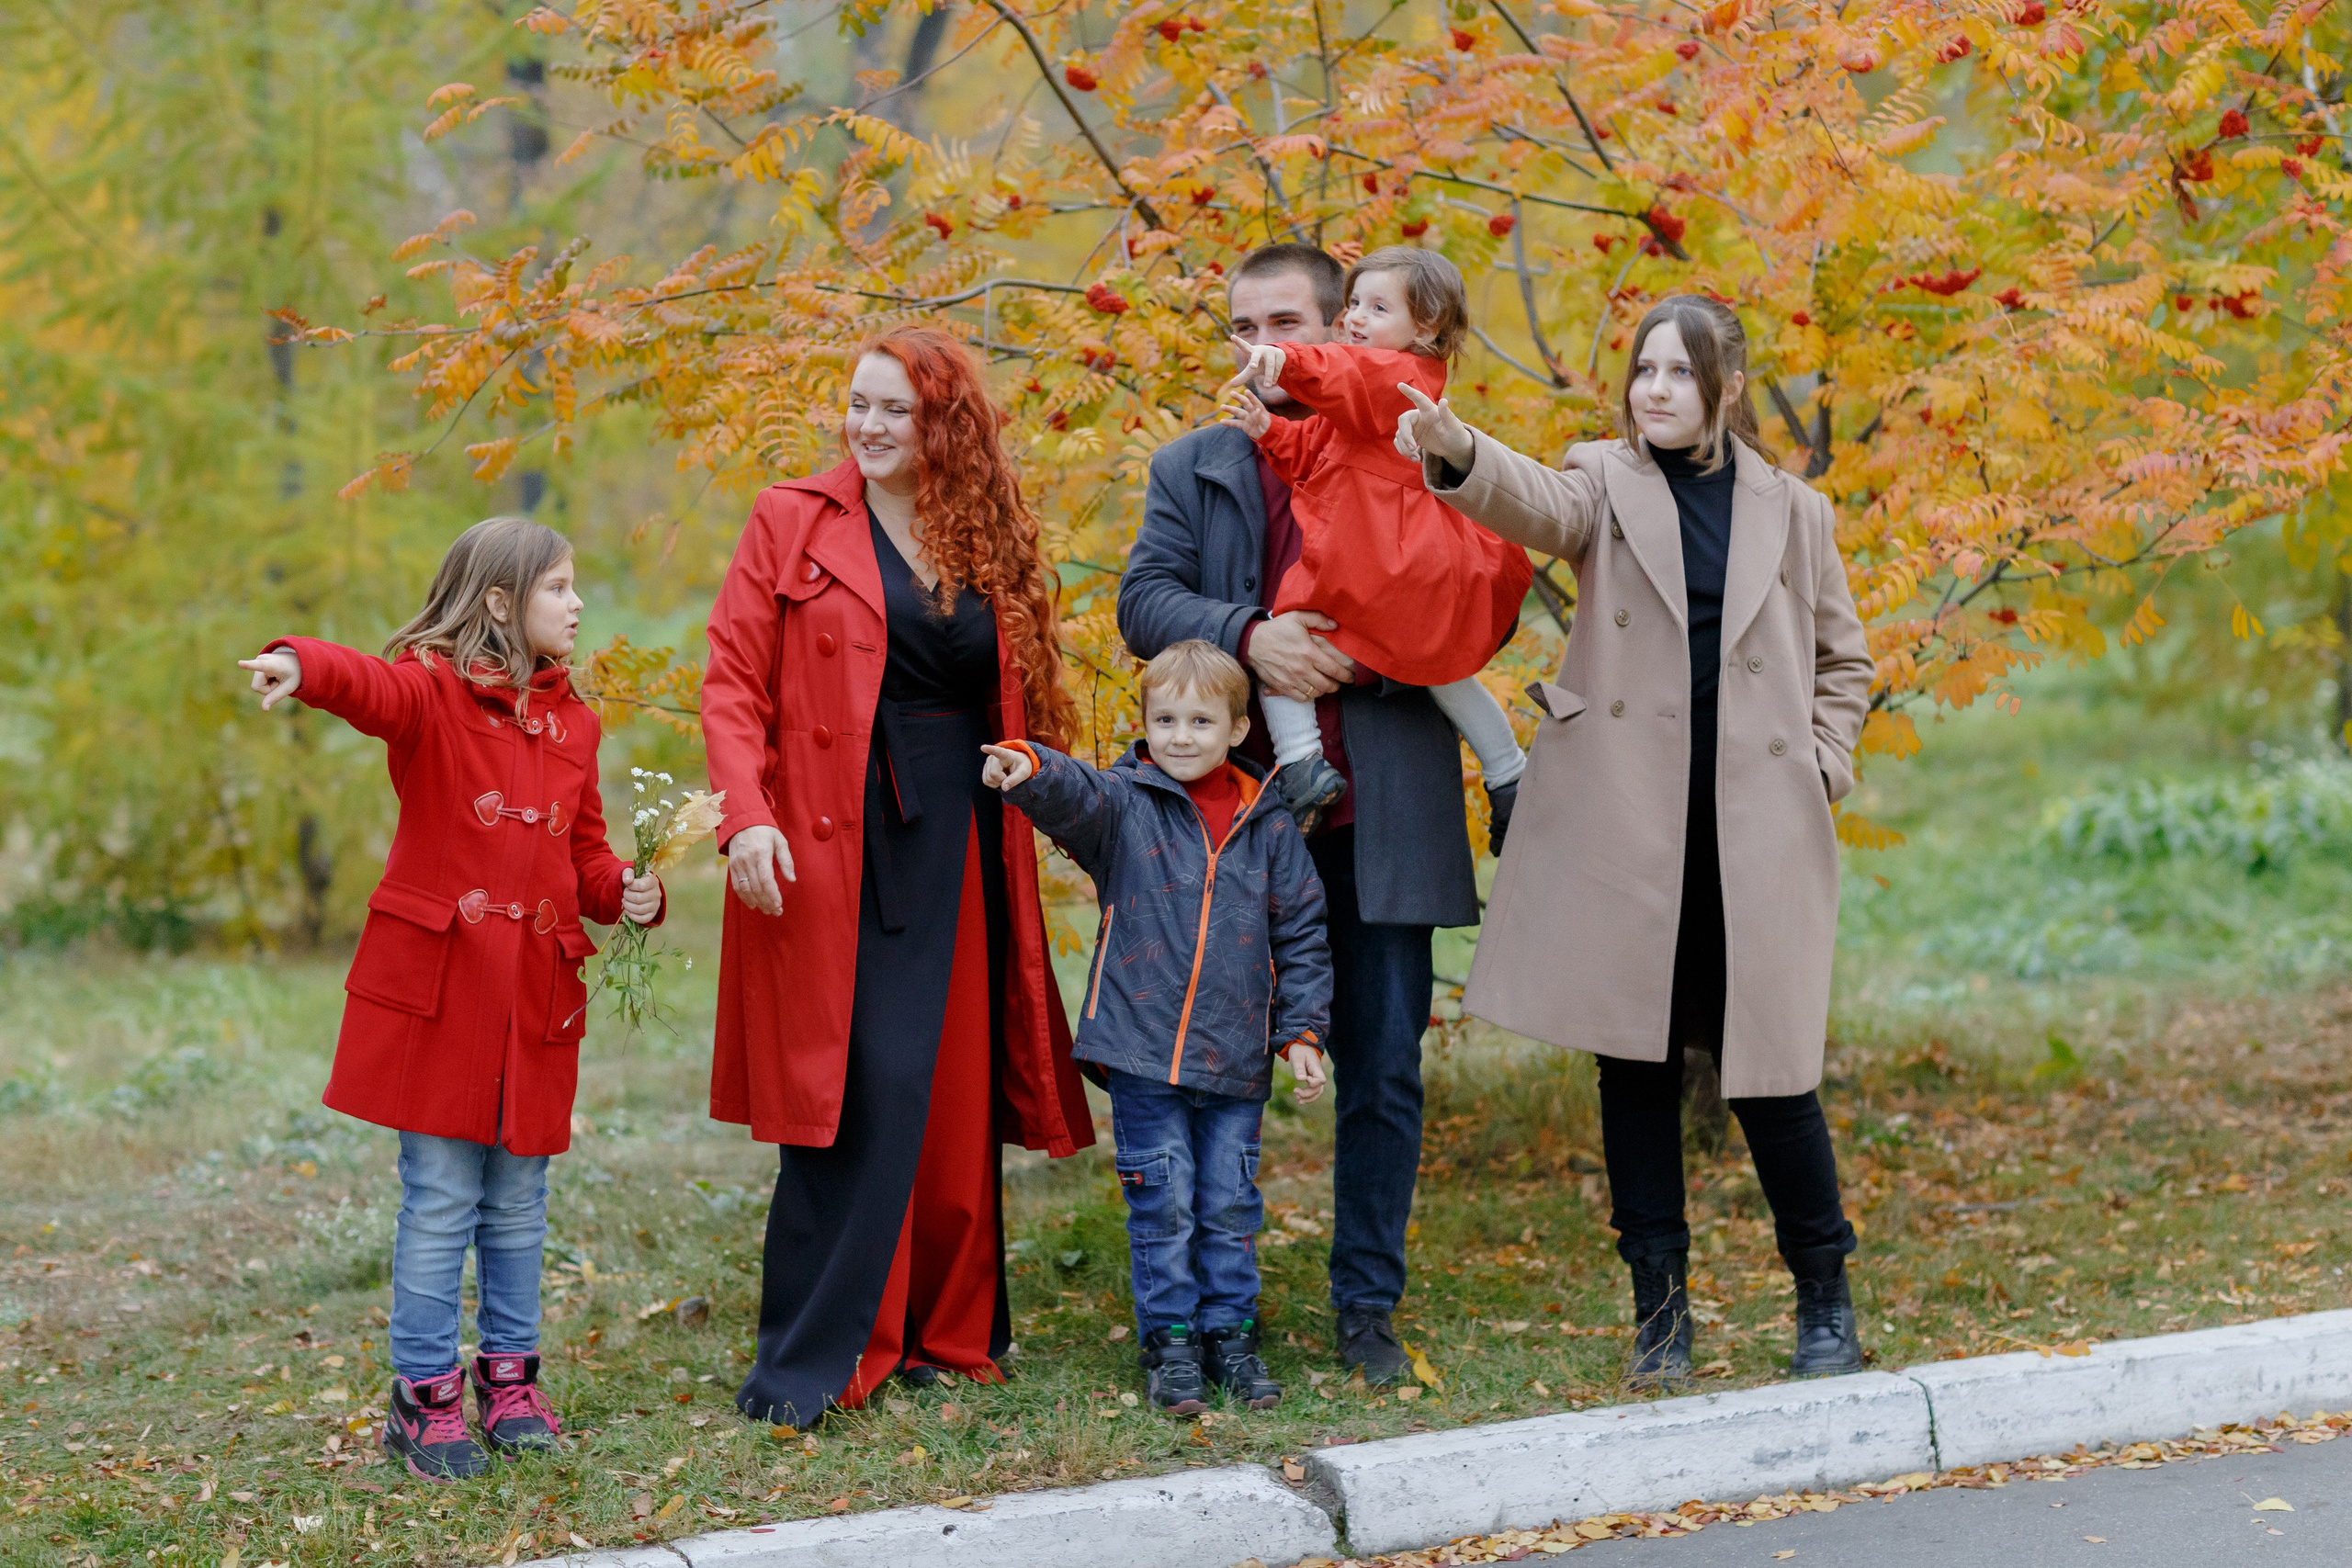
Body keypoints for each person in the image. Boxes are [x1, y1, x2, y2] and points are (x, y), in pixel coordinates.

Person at [1394, 293, 1875, 1384]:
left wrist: (1822, 766)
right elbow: (1530, 504)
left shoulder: (1794, 513)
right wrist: (1453, 442)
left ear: (1725, 389)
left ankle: (1823, 1301)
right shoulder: (1602, 481)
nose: (1653, 390)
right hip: (1631, 829)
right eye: (1642, 371)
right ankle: (1660, 1317)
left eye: (1676, 373)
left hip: (1751, 832)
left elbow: (1845, 661)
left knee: (1771, 1076)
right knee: (1636, 1068)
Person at [701, 325, 1095, 1428]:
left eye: (893, 410)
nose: (866, 427)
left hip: (960, 830)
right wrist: (745, 818)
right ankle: (825, 1350)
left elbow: (1016, 691)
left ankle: (945, 1334)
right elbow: (731, 686)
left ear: (942, 427)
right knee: (861, 1085)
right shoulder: (792, 517)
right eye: (856, 404)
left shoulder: (985, 527)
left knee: (954, 1080)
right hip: (830, 825)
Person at [1119, 243, 1487, 1387]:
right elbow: (1143, 598)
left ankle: (1366, 1305)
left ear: (1347, 334)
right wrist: (1247, 635)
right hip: (1241, 820)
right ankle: (1209, 1310)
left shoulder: (1419, 441)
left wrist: (1384, 650)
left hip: (1383, 797)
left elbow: (1482, 593)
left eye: (1284, 321)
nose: (1261, 345)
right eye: (1242, 327)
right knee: (1214, 1069)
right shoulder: (1199, 466)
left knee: (1380, 1068)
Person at [236, 517, 665, 1480]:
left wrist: (626, 891)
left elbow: (584, 853)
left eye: (576, 586)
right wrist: (298, 663)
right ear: (504, 603)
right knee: (438, 1202)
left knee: (518, 1204)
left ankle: (509, 1382)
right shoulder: (431, 697)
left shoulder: (576, 724)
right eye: (559, 587)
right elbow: (367, 685)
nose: (578, 602)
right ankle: (422, 1399)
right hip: (441, 995)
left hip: (534, 1000)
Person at [979, 639, 1333, 1414]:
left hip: (1236, 1059)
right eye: (1164, 718)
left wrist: (1302, 1035)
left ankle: (1231, 1338)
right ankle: (1170, 1342)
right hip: (1143, 1055)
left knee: (1229, 1202)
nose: (1180, 735)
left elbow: (1302, 934)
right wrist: (1030, 766)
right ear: (1145, 723)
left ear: (1239, 729)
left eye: (1201, 720)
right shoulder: (1126, 805)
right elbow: (1074, 792)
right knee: (1163, 1199)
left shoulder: (1267, 822)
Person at [1221, 246, 1532, 838]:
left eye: (1378, 307)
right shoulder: (1365, 398)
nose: (1357, 316)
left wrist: (1279, 360)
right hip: (1409, 567)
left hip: (1390, 559)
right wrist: (1271, 431)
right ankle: (1509, 773)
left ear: (1426, 327)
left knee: (1288, 634)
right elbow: (1313, 452)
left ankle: (1301, 761)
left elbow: (1340, 372)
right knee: (1445, 671)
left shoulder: (1401, 377)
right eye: (1355, 302)